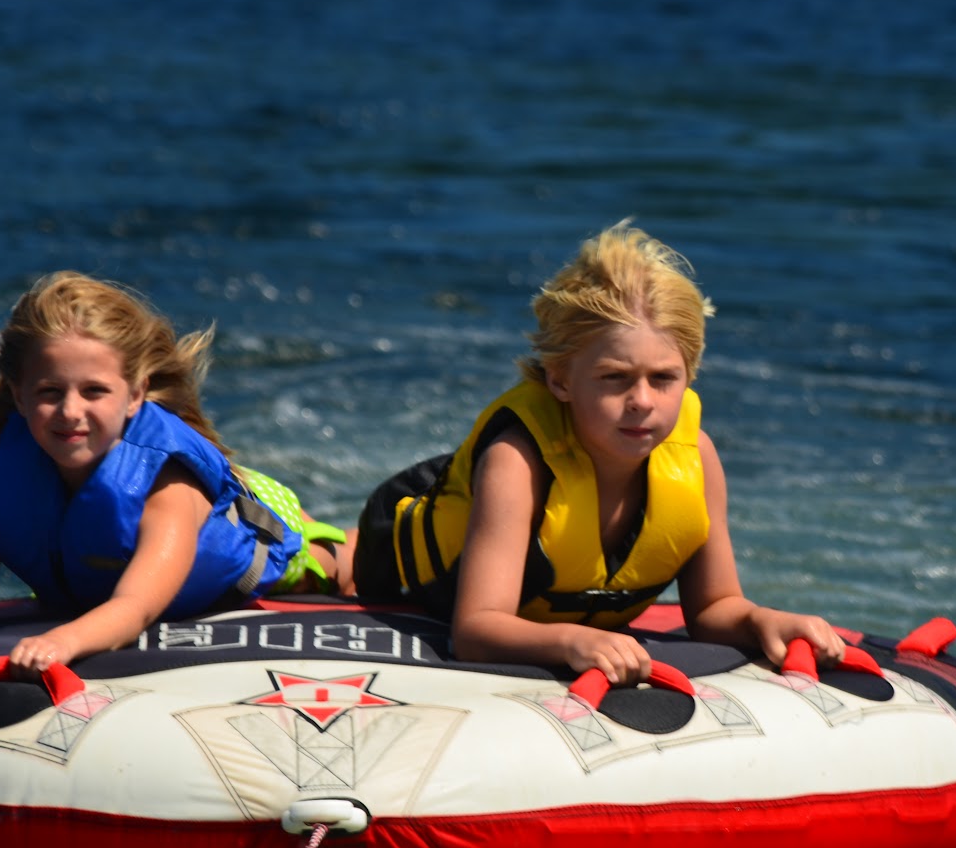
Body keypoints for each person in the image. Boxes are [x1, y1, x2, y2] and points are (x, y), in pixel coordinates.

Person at [354, 220, 845, 685]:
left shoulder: (696, 458)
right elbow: (476, 630)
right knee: (337, 566)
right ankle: (322, 541)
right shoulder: (516, 462)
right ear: (560, 380)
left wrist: (764, 619)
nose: (643, 401)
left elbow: (715, 609)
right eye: (615, 378)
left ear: (689, 375)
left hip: (526, 559)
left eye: (664, 378)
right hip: (405, 544)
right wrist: (571, 641)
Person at [0, 271, 354, 673]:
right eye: (48, 392)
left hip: (273, 531)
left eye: (94, 391)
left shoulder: (168, 484)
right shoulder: (10, 475)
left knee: (356, 564)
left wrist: (63, 641)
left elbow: (134, 607)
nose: (70, 412)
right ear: (18, 395)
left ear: (135, 394)